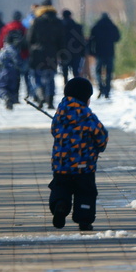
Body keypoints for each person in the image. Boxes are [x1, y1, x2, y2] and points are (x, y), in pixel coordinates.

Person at [49, 77, 108, 232]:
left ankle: (60, 205)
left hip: (61, 164)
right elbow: (100, 134)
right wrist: (99, 147)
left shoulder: (60, 113)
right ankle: (84, 219)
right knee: (85, 192)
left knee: (61, 187)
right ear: (86, 98)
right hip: (84, 165)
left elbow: (54, 131)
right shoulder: (87, 115)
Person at [27, 0, 66, 109]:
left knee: (37, 76)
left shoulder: (37, 21)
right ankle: (50, 100)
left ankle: (40, 95)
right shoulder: (58, 22)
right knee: (50, 77)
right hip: (52, 53)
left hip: (37, 53)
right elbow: (62, 40)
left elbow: (30, 39)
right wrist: (61, 54)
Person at [0, 11, 31, 99]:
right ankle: (28, 93)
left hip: (9, 57)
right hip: (22, 55)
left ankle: (14, 95)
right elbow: (27, 41)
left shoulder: (7, 28)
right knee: (25, 76)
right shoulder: (23, 28)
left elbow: (1, 42)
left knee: (13, 77)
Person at [89, 12, 121, 99]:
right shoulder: (112, 26)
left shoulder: (96, 27)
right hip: (110, 52)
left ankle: (101, 88)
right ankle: (107, 91)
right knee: (109, 72)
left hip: (99, 53)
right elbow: (117, 38)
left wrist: (91, 51)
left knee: (98, 72)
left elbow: (91, 40)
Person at [0, 30, 25, 109]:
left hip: (3, 72)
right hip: (13, 72)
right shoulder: (14, 51)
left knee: (2, 87)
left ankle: (6, 97)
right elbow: (18, 61)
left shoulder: (2, 51)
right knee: (12, 88)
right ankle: (12, 99)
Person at [61, 9, 85, 84]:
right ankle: (77, 86)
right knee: (76, 71)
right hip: (76, 52)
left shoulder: (60, 27)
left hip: (63, 52)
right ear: (70, 16)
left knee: (65, 71)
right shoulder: (77, 26)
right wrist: (83, 52)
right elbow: (82, 40)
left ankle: (66, 85)